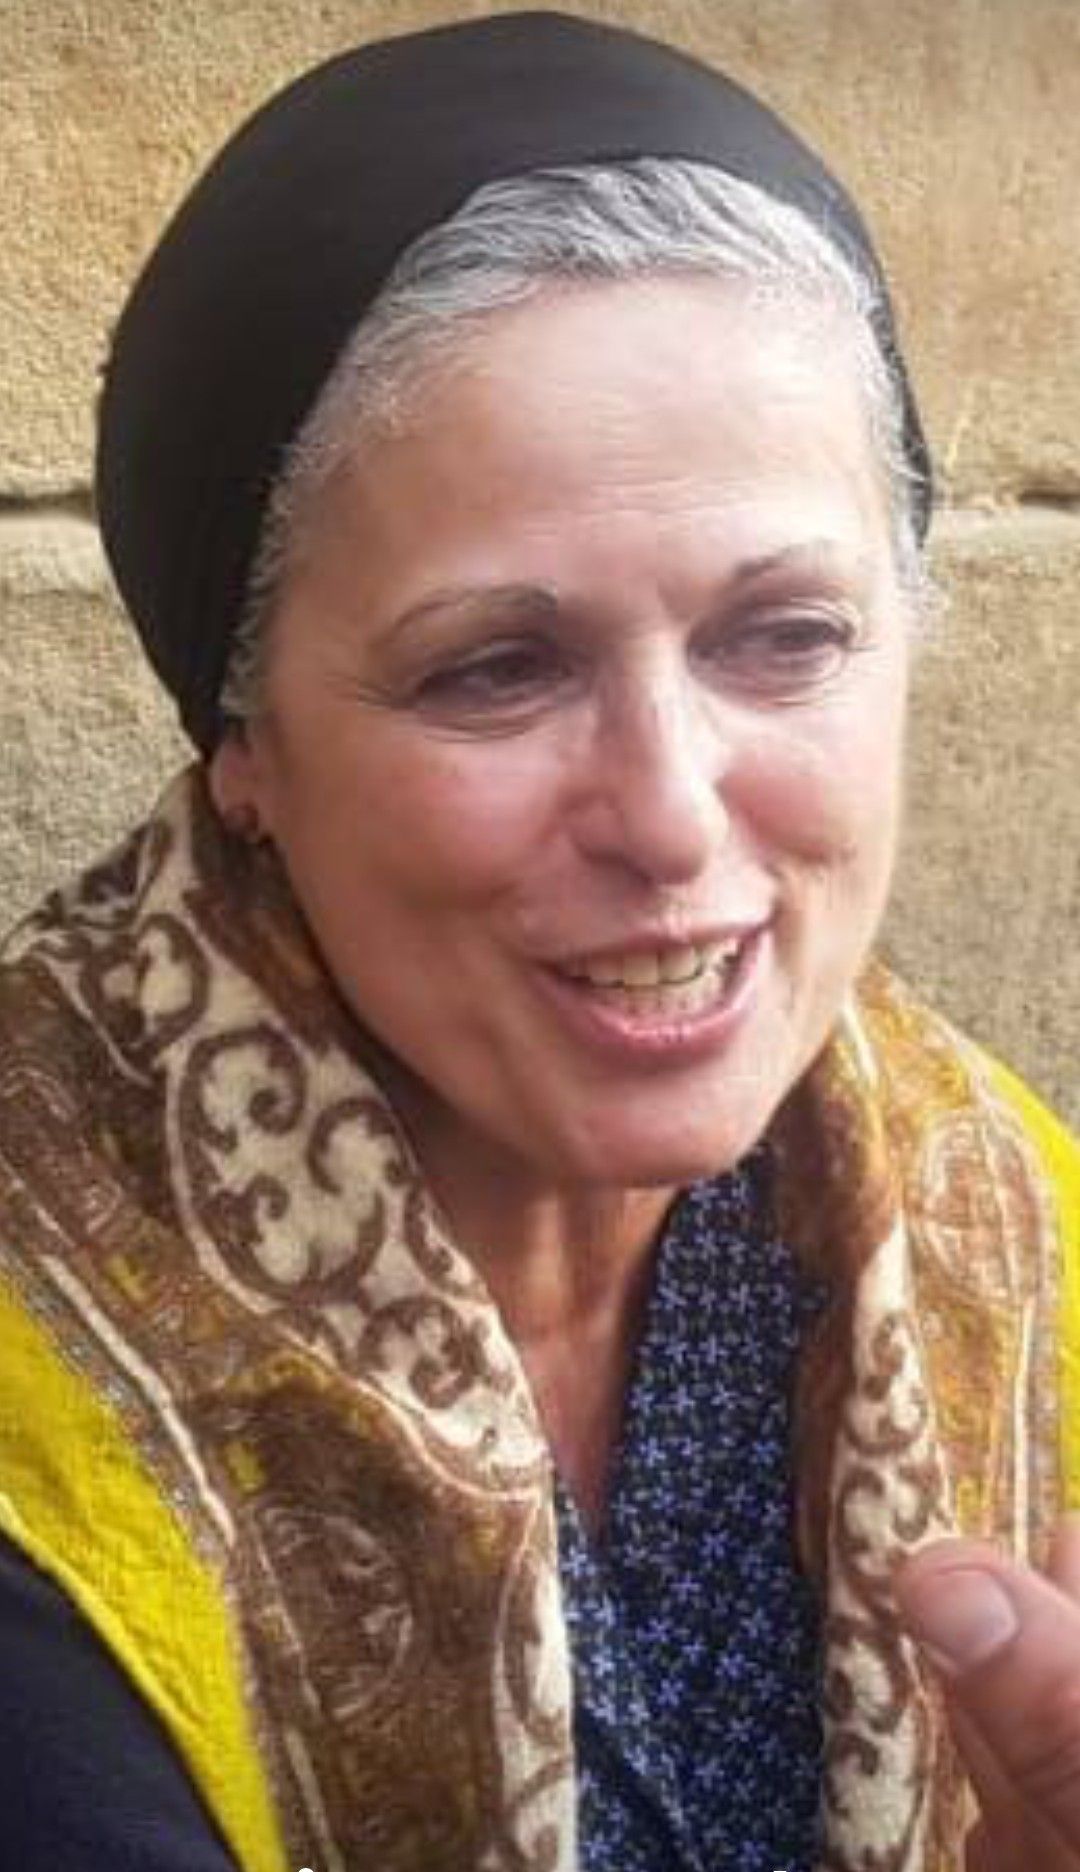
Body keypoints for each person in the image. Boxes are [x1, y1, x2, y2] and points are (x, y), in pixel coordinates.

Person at [0, 13, 1076, 1871]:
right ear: (246, 744)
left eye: (785, 636)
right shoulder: (45, 1481)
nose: (669, 814)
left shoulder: (1013, 1227)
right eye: (495, 667)